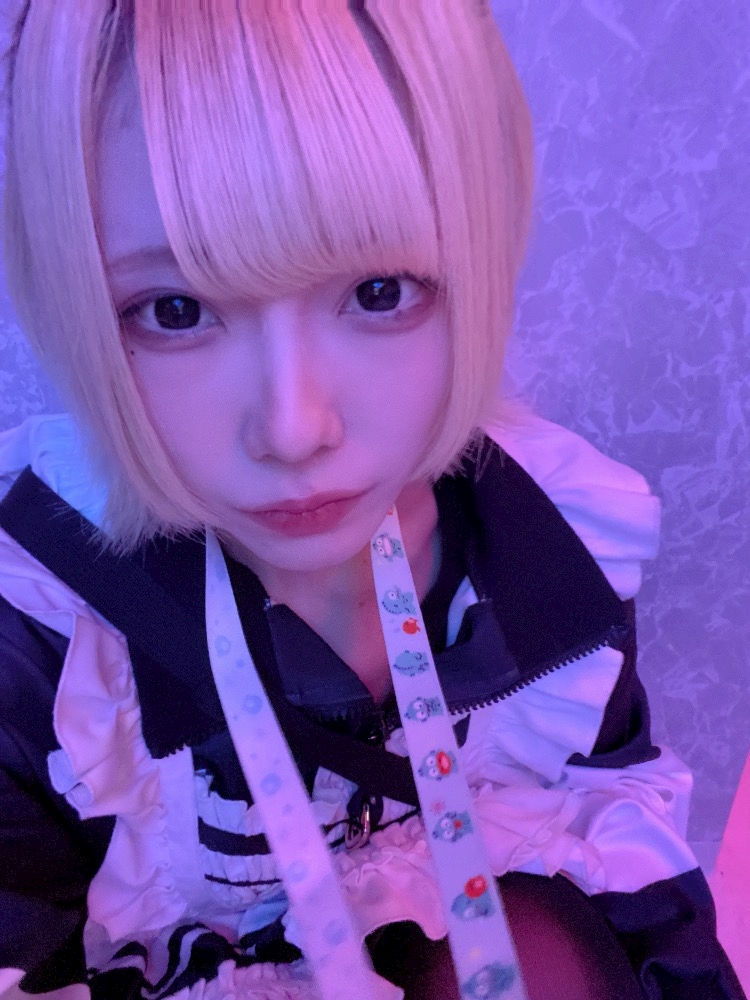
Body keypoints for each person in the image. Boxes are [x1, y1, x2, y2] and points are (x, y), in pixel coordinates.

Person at [0, 2, 744, 999]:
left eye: (381, 290)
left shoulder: (554, 545)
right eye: (175, 311)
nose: (295, 427)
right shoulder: (41, 633)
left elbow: (619, 846)